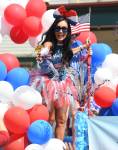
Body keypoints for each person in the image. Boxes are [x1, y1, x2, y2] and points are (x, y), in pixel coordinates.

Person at [31, 5, 91, 141]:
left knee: (62, 119)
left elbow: (70, 52)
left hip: (64, 83)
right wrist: (41, 53)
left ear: (68, 31)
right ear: (54, 29)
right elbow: (43, 49)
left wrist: (84, 47)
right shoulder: (48, 43)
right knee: (49, 118)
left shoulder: (66, 46)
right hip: (48, 84)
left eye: (64, 29)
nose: (61, 31)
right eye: (58, 28)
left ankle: (58, 145)